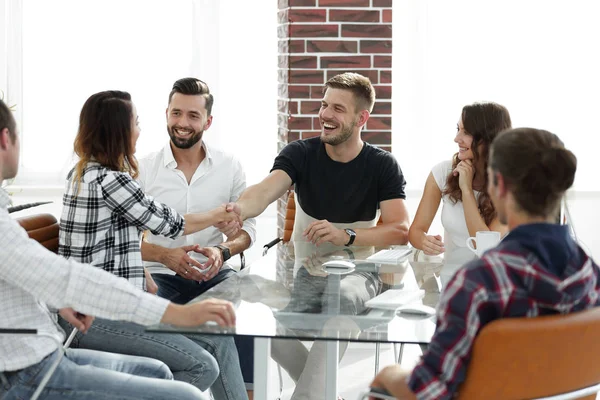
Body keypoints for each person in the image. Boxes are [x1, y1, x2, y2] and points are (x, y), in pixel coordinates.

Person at [0, 98, 236, 399]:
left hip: (66, 324)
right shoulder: (110, 180)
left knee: (166, 370)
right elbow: (170, 223)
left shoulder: (82, 173)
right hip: (61, 343)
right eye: (136, 122)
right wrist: (178, 313)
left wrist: (65, 296)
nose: (140, 130)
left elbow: (65, 265)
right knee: (201, 368)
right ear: (6, 139)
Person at [370, 127, 600, 400]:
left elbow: (428, 392)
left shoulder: (477, 283)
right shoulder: (589, 273)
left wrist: (389, 375)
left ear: (499, 185)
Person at [229, 72, 411, 399]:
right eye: (324, 104)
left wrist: (347, 236)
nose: (325, 114)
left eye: (338, 109)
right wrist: (238, 209)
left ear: (361, 118)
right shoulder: (300, 154)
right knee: (251, 301)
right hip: (303, 271)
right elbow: (265, 191)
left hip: (360, 276)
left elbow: (399, 230)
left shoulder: (382, 165)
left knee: (340, 305)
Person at [138, 77, 256, 302]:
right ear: (166, 114)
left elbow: (248, 230)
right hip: (159, 275)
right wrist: (165, 256)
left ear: (208, 122)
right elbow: (126, 239)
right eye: (176, 113)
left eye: (193, 116)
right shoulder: (142, 169)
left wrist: (223, 250)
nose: (182, 123)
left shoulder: (229, 166)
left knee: (238, 322)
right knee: (153, 321)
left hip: (214, 275)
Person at [408, 102, 511, 283]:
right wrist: (424, 242)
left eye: (466, 132)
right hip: (452, 278)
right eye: (458, 129)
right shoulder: (442, 172)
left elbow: (484, 248)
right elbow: (415, 231)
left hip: (493, 281)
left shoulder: (510, 183)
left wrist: (466, 190)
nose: (457, 138)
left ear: (488, 137)